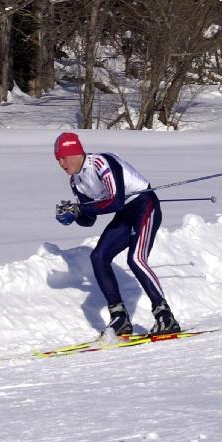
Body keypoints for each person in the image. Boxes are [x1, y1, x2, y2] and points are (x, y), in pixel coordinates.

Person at [53, 132, 181, 337]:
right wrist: (73, 214)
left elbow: (115, 201)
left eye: (63, 157)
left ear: (76, 153)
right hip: (125, 214)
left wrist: (81, 210)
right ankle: (119, 317)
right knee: (98, 257)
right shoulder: (76, 182)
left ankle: (164, 315)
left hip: (144, 205)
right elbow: (89, 220)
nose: (60, 162)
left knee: (136, 259)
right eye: (57, 159)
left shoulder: (102, 163)